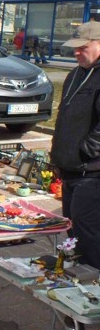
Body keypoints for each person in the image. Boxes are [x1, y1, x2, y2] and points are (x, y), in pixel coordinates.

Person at [51, 21, 100, 271]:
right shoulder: (76, 74)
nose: (76, 52)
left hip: (91, 173)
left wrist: (86, 150)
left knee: (87, 231)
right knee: (72, 228)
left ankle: (94, 287)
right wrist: (57, 155)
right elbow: (63, 118)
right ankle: (76, 279)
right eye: (74, 48)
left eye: (83, 47)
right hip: (70, 169)